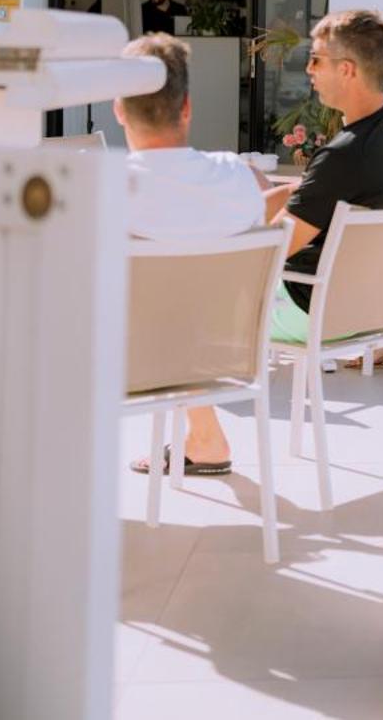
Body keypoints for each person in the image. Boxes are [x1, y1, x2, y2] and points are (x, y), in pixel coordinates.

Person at [117, 33, 286, 477]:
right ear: (186, 107)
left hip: (117, 366)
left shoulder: (99, 187)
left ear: (119, 109)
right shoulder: (242, 180)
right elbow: (277, 206)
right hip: (219, 355)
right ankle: (206, 436)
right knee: (184, 304)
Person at [268, 10, 383, 343]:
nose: (309, 70)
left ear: (346, 69)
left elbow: (271, 250)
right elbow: (325, 195)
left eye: (316, 60)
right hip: (370, 306)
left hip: (316, 311)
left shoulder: (344, 155)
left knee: (193, 297)